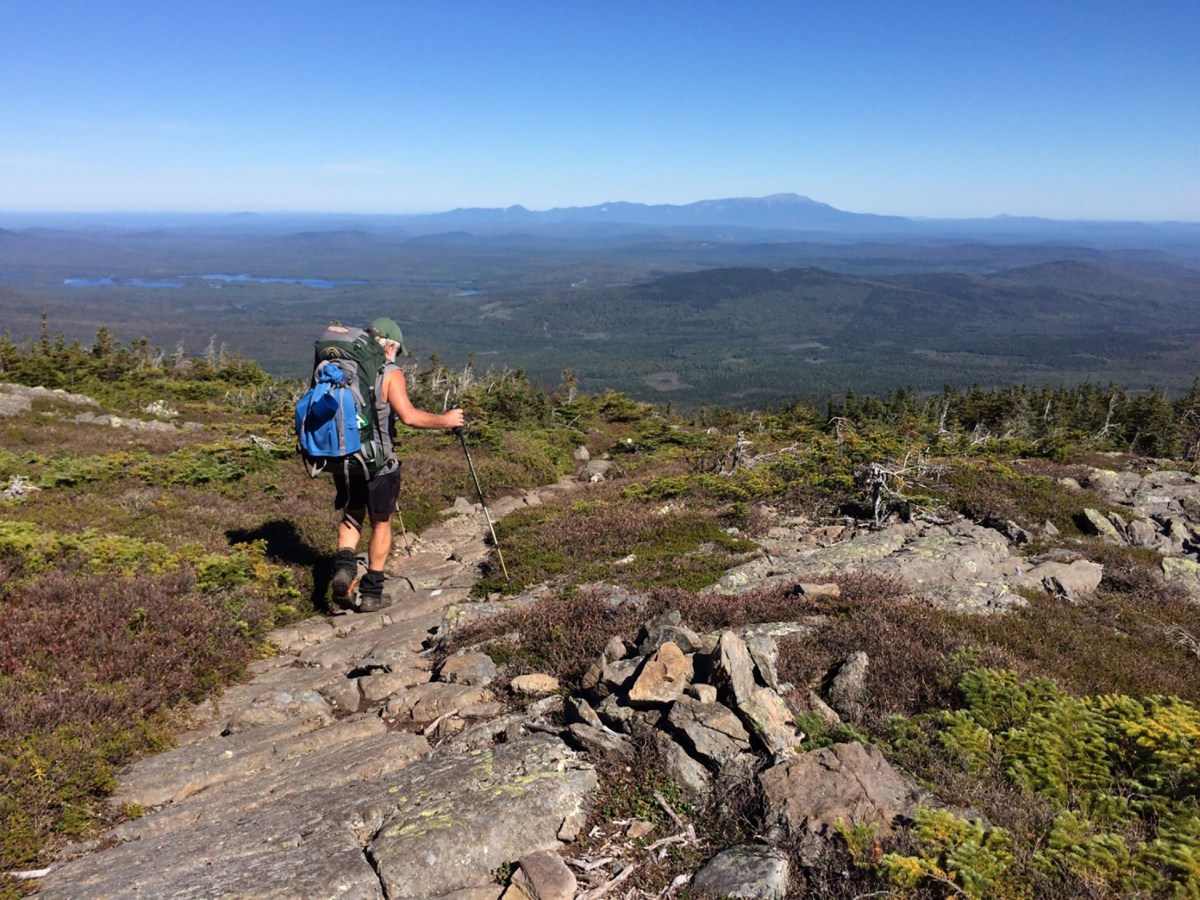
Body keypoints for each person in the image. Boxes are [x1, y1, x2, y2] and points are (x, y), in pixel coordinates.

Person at [331, 317, 464, 611]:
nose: (397, 355)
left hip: (344, 458)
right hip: (379, 462)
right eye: (398, 350)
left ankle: (345, 568)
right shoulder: (389, 372)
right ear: (390, 345)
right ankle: (372, 593)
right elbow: (409, 416)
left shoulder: (341, 368)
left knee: (352, 516)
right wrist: (446, 420)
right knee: (381, 522)